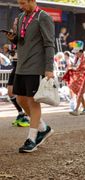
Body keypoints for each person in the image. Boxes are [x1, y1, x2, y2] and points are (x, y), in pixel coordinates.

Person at [5, 0, 55, 153]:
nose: (20, 7)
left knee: (33, 102)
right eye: (19, 3)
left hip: (35, 66)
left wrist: (48, 68)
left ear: (32, 1)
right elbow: (21, 40)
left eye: (23, 3)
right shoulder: (21, 17)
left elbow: (49, 43)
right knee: (19, 99)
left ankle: (31, 139)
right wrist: (13, 38)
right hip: (21, 65)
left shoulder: (43, 17)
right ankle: (43, 128)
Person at [62, 42, 85, 116]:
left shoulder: (84, 59)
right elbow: (78, 68)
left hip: (83, 78)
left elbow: (82, 69)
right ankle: (84, 109)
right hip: (81, 78)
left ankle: (76, 109)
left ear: (80, 51)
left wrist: (72, 69)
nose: (75, 54)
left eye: (76, 52)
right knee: (80, 93)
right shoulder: (80, 59)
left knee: (79, 93)